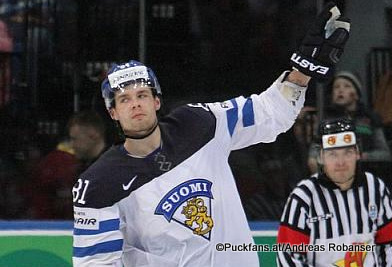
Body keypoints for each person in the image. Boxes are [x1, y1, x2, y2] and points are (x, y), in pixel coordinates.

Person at [72, 3, 350, 266]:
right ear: (113, 113)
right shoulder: (98, 183)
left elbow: (268, 113)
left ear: (157, 102)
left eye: (143, 94)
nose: (135, 104)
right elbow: (96, 262)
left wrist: (301, 73)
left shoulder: (198, 124)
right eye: (124, 99)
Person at [276, 117, 392, 266]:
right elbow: (288, 256)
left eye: (347, 152)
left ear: (358, 153)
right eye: (333, 154)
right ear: (321, 157)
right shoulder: (304, 196)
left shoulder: (375, 188)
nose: (341, 162)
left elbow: (389, 245)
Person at [307, 71, 392, 174]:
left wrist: (363, 156)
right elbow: (314, 154)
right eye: (336, 87)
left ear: (356, 94)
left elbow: (384, 153)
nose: (340, 90)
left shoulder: (370, 118)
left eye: (347, 86)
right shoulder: (326, 121)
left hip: (367, 173)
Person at [30, 111, 107, 219]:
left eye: (75, 139)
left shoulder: (112, 168)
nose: (72, 144)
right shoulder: (81, 168)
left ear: (93, 134)